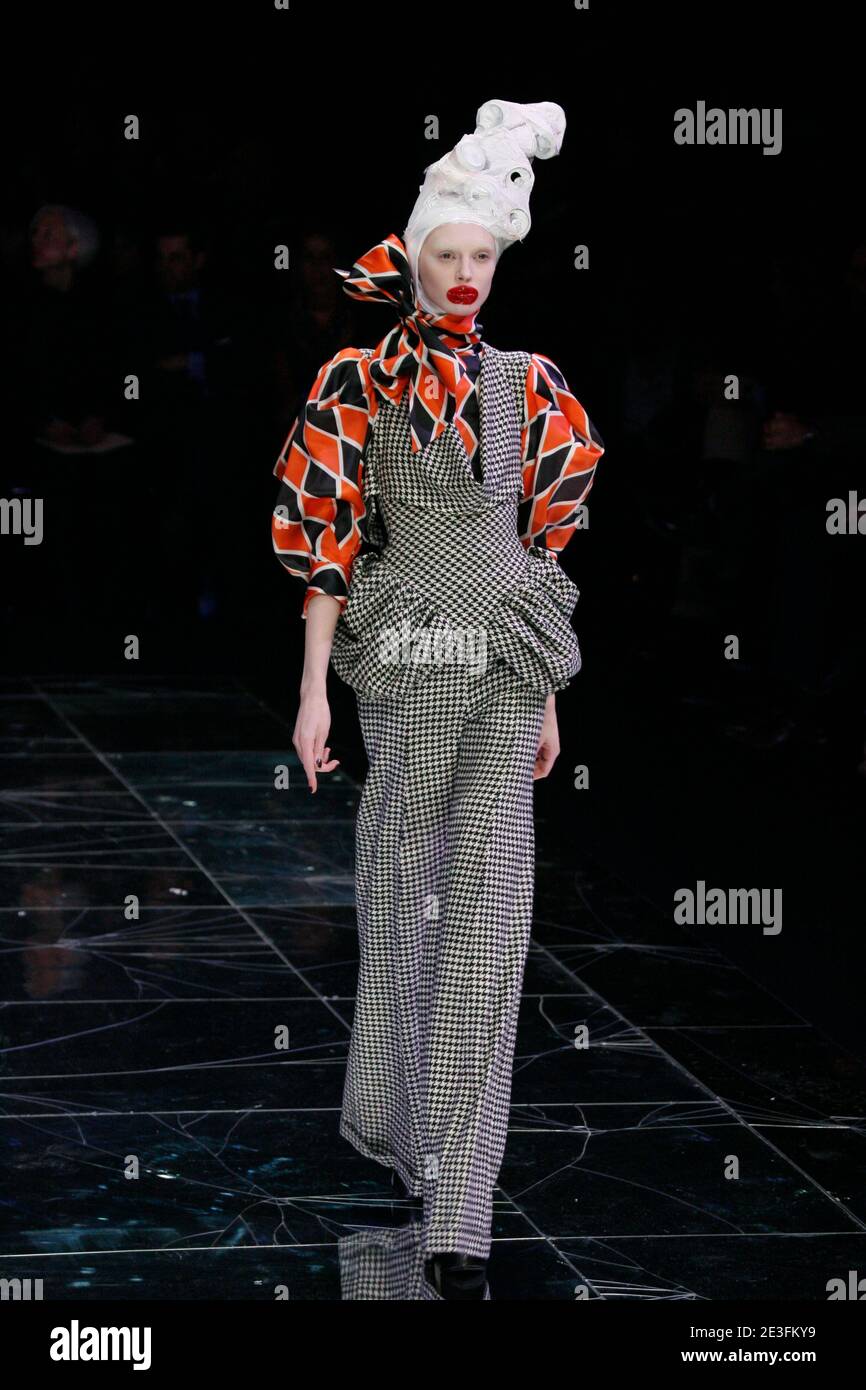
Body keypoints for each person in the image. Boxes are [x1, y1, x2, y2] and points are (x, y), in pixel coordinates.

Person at [271, 99, 605, 1299]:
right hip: (405, 655)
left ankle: (463, 1202)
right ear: (413, 257)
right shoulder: (354, 378)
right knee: (401, 904)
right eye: (446, 256)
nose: (464, 276)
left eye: (481, 258)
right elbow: (325, 539)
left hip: (507, 662)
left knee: (491, 918)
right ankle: (402, 1131)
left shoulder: (531, 385)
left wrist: (549, 694)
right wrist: (312, 690)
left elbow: (544, 544)